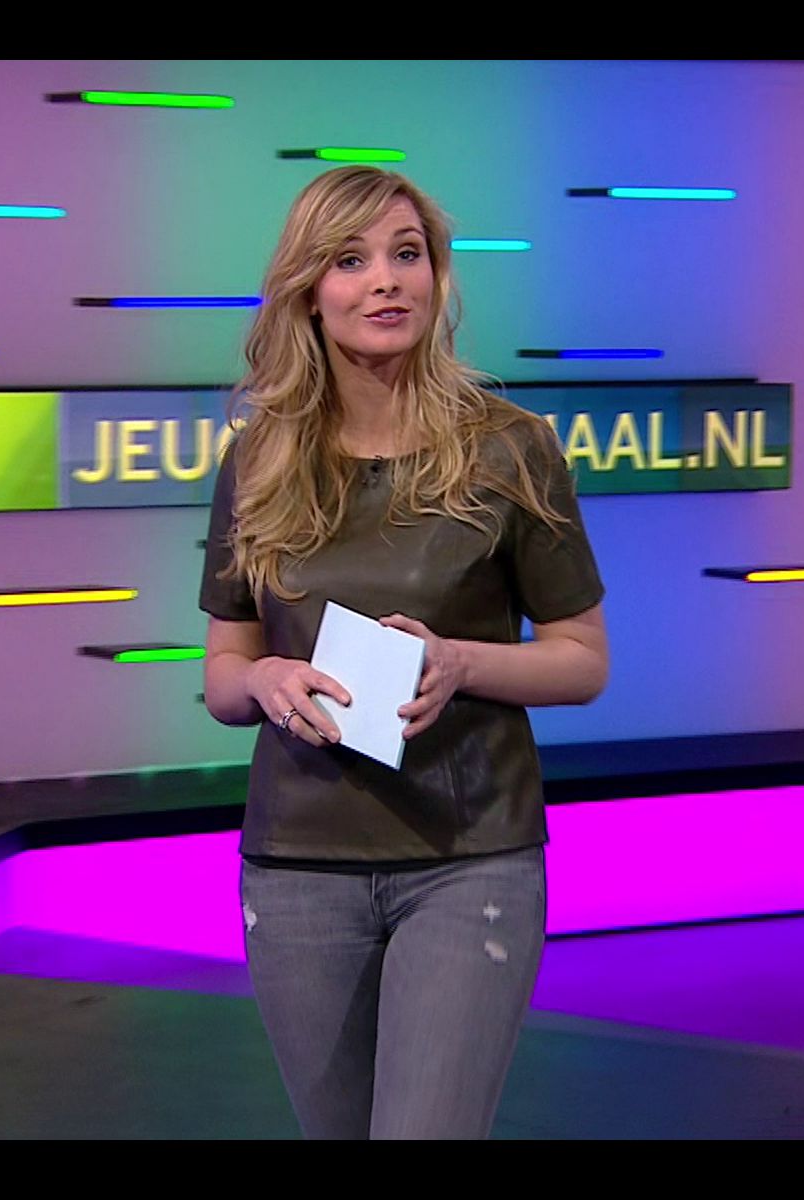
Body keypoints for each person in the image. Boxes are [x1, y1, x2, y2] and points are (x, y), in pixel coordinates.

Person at [198, 165, 609, 1139]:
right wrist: (264, 678)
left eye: (406, 254)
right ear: (309, 290)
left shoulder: (511, 447)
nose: (385, 280)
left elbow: (581, 659)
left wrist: (462, 663)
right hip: (297, 868)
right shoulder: (259, 460)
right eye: (350, 260)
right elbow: (222, 675)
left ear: (436, 276)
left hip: (469, 860)